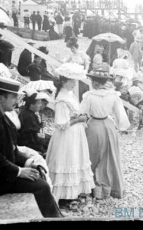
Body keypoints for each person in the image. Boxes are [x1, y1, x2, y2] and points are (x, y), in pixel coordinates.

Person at [0, 76, 62, 217]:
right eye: (13, 97)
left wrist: (30, 163)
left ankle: (56, 216)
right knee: (41, 186)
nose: (16, 101)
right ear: (0, 98)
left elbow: (12, 150)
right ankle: (53, 218)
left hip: (2, 173)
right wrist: (19, 171)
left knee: (40, 178)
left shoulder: (0, 116)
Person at [46, 63, 95, 204]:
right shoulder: (61, 98)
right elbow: (61, 123)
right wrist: (79, 119)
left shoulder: (69, 94)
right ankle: (63, 195)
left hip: (75, 133)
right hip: (67, 135)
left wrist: (80, 115)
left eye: (75, 80)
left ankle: (74, 191)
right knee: (68, 159)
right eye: (72, 81)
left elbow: (72, 113)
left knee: (75, 158)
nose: (75, 83)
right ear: (64, 81)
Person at [81, 68, 130, 199]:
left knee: (93, 156)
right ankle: (110, 188)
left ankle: (93, 188)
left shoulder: (89, 96)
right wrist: (122, 126)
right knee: (110, 156)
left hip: (94, 126)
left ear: (95, 83)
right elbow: (120, 113)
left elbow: (82, 113)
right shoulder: (113, 95)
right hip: (109, 126)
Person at [17, 89, 52, 157]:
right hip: (28, 142)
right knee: (49, 139)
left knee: (49, 137)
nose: (40, 105)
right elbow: (33, 135)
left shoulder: (30, 113)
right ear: (32, 105)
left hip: (34, 136)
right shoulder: (27, 116)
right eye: (38, 103)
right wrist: (42, 149)